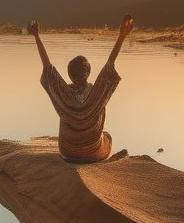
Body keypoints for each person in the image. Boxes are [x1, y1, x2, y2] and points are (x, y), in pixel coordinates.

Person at [28, 15, 133, 162]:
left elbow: (47, 67)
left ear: (69, 75)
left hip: (67, 152)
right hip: (94, 154)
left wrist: (36, 36)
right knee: (107, 136)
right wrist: (122, 35)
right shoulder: (97, 91)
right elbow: (111, 63)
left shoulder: (63, 92)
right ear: (88, 72)